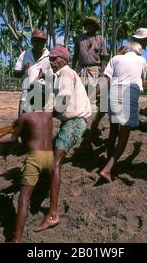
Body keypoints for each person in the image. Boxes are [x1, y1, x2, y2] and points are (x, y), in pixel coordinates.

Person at [36, 45, 92, 231]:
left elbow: (62, 102)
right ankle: (49, 185)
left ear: (64, 60)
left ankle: (53, 214)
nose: (51, 62)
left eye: (55, 59)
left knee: (55, 163)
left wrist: (45, 114)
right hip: (72, 121)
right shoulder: (60, 76)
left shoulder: (66, 74)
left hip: (75, 122)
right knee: (51, 157)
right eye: (50, 59)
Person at [0, 90, 53, 242]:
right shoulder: (49, 116)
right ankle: (52, 212)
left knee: (23, 199)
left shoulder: (25, 117)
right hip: (50, 156)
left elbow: (13, 139)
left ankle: (17, 239)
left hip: (35, 157)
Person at [98, 42, 147, 182]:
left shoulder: (115, 58)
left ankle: (109, 160)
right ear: (139, 52)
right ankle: (108, 169)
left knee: (113, 131)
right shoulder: (142, 60)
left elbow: (106, 78)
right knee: (124, 136)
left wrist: (95, 93)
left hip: (113, 94)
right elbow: (140, 80)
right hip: (129, 96)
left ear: (124, 51)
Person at [72, 16, 108, 148]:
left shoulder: (100, 39)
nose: (88, 26)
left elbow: (103, 58)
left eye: (91, 24)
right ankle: (79, 126)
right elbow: (75, 55)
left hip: (95, 70)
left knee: (94, 100)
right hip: (81, 70)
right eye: (87, 24)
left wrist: (103, 74)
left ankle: (92, 128)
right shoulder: (80, 38)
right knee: (80, 99)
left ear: (95, 27)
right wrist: (72, 70)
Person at [14, 30, 50, 114]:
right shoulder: (25, 54)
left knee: (39, 123)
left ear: (44, 42)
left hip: (43, 95)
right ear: (32, 42)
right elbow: (15, 73)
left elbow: (55, 77)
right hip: (26, 95)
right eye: (36, 41)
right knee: (23, 121)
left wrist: (44, 75)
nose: (38, 43)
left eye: (41, 41)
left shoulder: (49, 56)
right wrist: (23, 70)